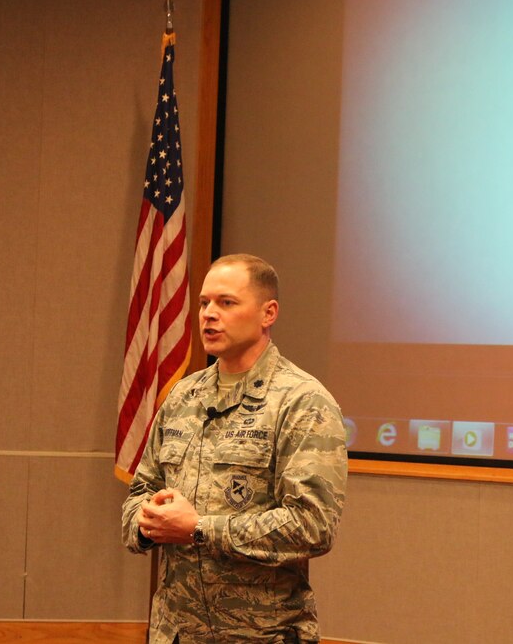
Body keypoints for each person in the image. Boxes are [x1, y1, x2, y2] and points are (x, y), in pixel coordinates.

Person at [122, 253, 347, 644]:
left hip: (262, 635)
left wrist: (198, 529)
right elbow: (139, 491)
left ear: (268, 313)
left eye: (227, 303)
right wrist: (146, 522)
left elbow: (313, 526)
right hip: (175, 633)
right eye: (204, 303)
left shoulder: (301, 401)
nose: (209, 314)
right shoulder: (183, 396)